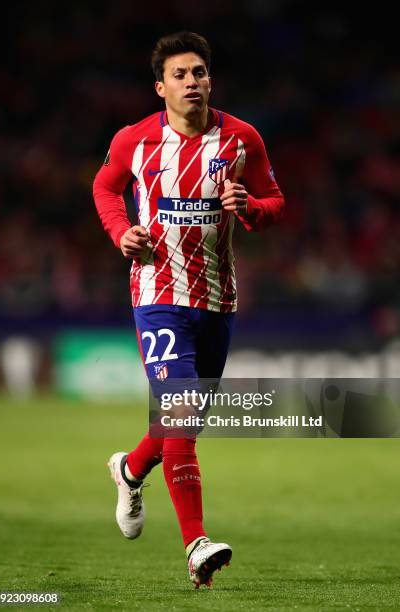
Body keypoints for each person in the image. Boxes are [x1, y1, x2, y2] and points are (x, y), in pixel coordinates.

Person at [93, 31, 285, 589]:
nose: (192, 82)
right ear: (161, 87)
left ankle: (129, 469)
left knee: (184, 423)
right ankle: (196, 544)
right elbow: (105, 190)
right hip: (156, 293)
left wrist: (250, 208)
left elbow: (275, 202)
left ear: (210, 80)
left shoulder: (242, 138)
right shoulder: (134, 141)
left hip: (218, 299)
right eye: (180, 74)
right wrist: (119, 231)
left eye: (199, 72)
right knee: (180, 419)